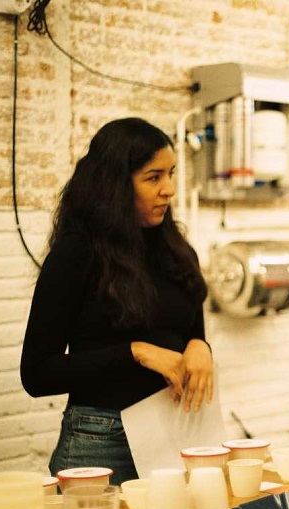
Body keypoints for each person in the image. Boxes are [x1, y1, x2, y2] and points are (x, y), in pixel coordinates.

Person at [20, 117, 214, 485]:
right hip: (100, 441)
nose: (169, 190)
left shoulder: (175, 250)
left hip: (175, 432)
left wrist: (200, 346)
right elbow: (36, 374)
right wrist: (134, 351)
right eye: (153, 177)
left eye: (171, 174)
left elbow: (190, 332)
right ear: (115, 185)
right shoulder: (76, 253)